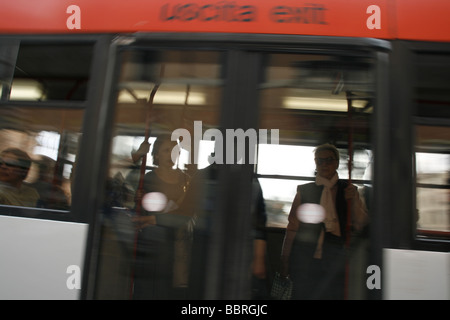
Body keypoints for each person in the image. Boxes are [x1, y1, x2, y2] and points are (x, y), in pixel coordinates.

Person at [280, 143, 368, 300]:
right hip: (305, 257)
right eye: (320, 161)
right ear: (315, 163)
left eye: (328, 160)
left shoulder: (349, 190)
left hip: (336, 258)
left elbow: (361, 224)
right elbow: (293, 227)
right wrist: (285, 259)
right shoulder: (304, 191)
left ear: (336, 163)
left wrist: (353, 200)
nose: (324, 164)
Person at [131, 134, 192, 300]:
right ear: (156, 154)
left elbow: (188, 212)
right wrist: (139, 199)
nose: (171, 154)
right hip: (152, 241)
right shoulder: (147, 179)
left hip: (178, 242)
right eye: (166, 150)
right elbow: (138, 211)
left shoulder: (186, 180)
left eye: (175, 150)